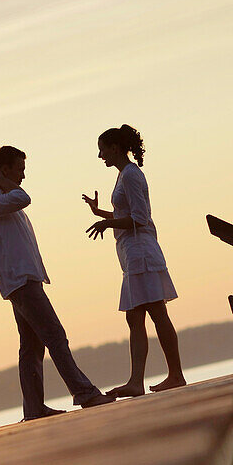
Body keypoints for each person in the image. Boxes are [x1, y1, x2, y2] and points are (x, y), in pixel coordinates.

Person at [0, 145, 114, 420]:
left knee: (32, 346)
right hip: (20, 282)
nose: (23, 176)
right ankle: (85, 393)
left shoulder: (3, 198)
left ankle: (34, 408)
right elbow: (24, 198)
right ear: (4, 171)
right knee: (55, 336)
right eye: (19, 169)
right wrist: (4, 183)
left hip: (25, 280)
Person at [83, 125, 186, 397]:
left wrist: (107, 224)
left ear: (115, 148)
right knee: (136, 316)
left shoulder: (130, 175)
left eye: (102, 149)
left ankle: (174, 375)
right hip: (132, 255)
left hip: (141, 252)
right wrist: (101, 213)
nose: (100, 155)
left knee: (156, 312)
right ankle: (137, 382)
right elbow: (125, 213)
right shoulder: (123, 176)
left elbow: (140, 218)